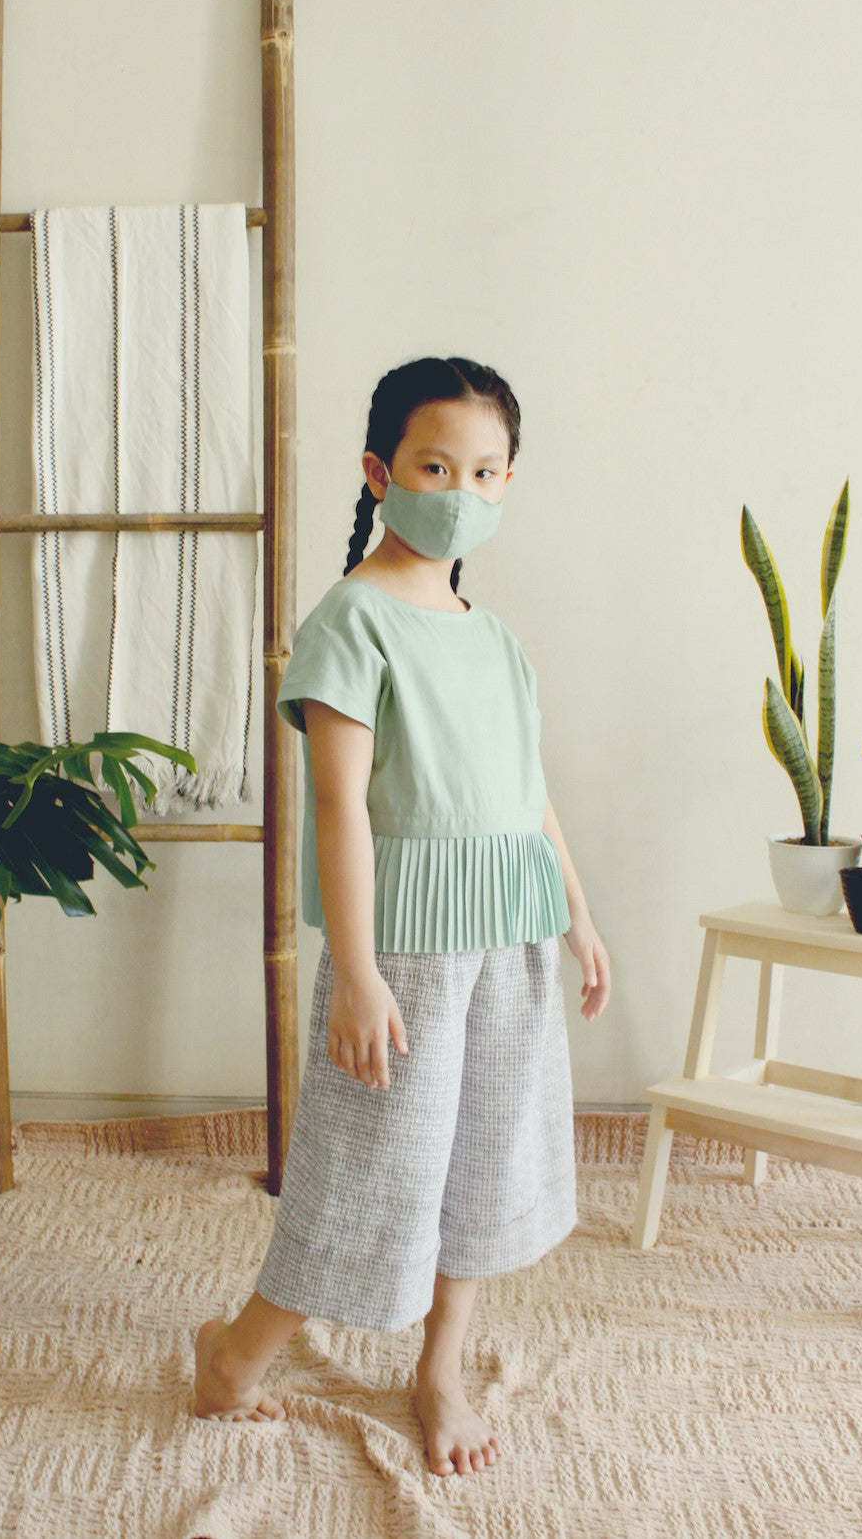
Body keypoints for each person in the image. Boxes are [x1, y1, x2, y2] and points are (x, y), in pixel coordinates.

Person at [193, 355, 611, 1477]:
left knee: (485, 1159)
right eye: (436, 467)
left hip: (513, 932)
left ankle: (440, 1370)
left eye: (485, 471)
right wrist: (360, 969)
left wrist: (575, 912)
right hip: (408, 950)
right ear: (381, 473)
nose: (461, 491)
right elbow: (338, 806)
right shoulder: (349, 622)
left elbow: (527, 790)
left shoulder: (494, 636)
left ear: (508, 481)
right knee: (369, 1168)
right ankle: (234, 1358)